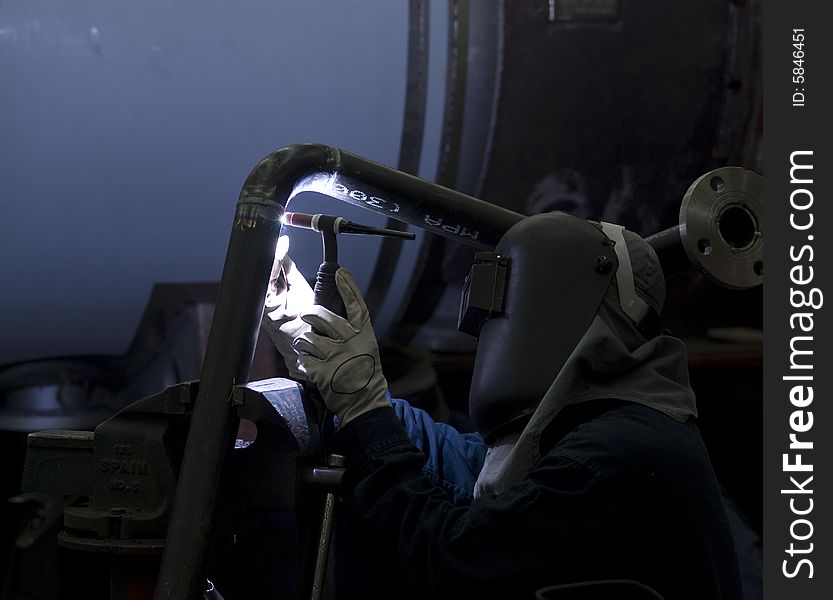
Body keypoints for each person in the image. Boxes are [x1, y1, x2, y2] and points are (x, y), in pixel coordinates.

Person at [262, 214, 743, 600]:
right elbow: (452, 464)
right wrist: (328, 364)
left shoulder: (616, 457)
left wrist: (364, 405)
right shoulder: (584, 435)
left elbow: (445, 564)